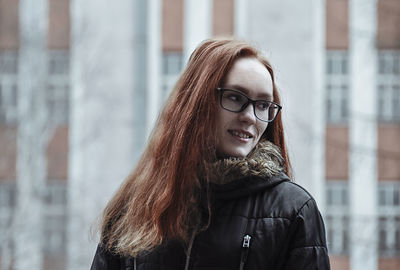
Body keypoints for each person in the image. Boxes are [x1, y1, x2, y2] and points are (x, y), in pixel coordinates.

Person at [91, 38, 330, 269]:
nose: (250, 116)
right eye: (235, 97)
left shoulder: (294, 210)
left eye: (263, 105)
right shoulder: (134, 208)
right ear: (196, 102)